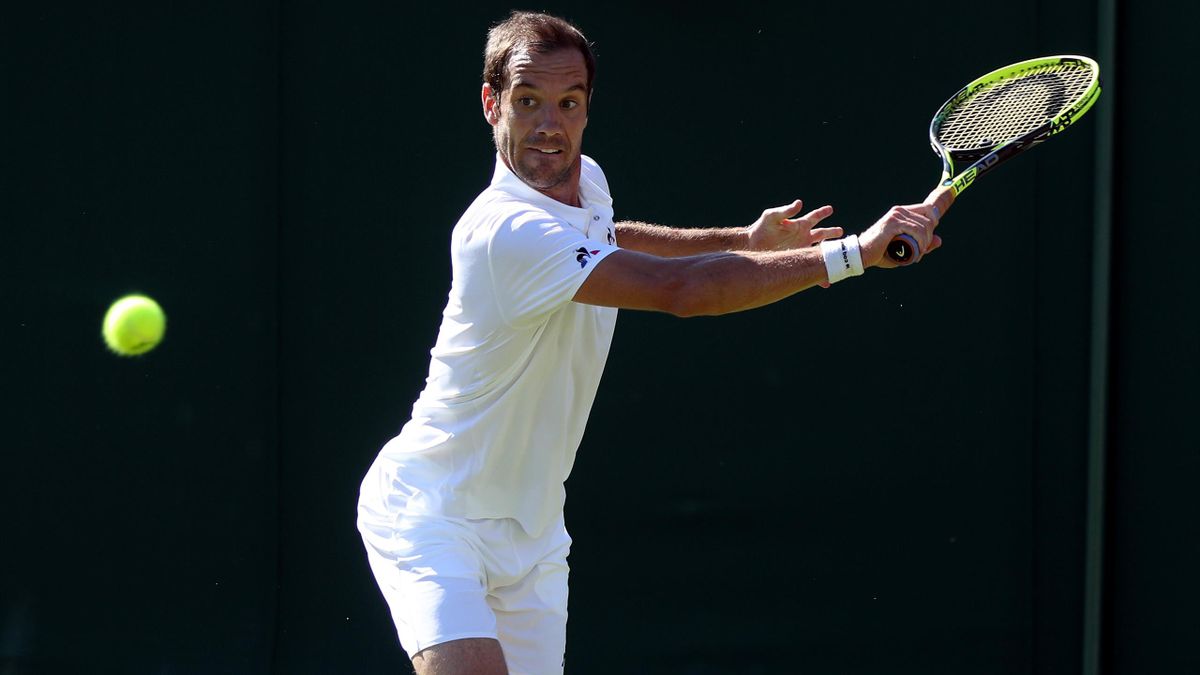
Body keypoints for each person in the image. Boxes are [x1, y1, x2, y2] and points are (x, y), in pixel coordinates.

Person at [357, 10, 952, 675]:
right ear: (492, 105)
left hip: (532, 533)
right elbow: (683, 292)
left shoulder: (586, 183)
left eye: (568, 103)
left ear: (587, 109)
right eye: (528, 102)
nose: (550, 125)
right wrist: (855, 255)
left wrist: (741, 240)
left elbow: (613, 238)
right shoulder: (504, 231)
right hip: (434, 514)